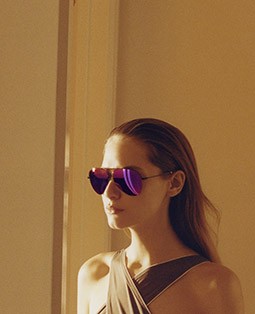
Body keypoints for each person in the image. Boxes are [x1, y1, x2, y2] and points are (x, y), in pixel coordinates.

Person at [77, 118, 244, 314]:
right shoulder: (94, 274)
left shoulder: (214, 286)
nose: (109, 192)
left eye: (128, 178)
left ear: (174, 183)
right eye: (101, 177)